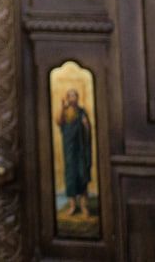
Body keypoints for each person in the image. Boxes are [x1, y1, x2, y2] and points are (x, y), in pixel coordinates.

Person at [56, 88, 93, 216]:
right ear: (67, 98)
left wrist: (86, 125)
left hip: (81, 149)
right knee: (71, 176)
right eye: (70, 96)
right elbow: (59, 122)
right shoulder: (65, 111)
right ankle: (72, 206)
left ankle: (84, 206)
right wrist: (62, 107)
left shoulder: (82, 111)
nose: (73, 98)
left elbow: (88, 128)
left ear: (77, 98)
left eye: (75, 96)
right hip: (69, 149)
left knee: (82, 175)